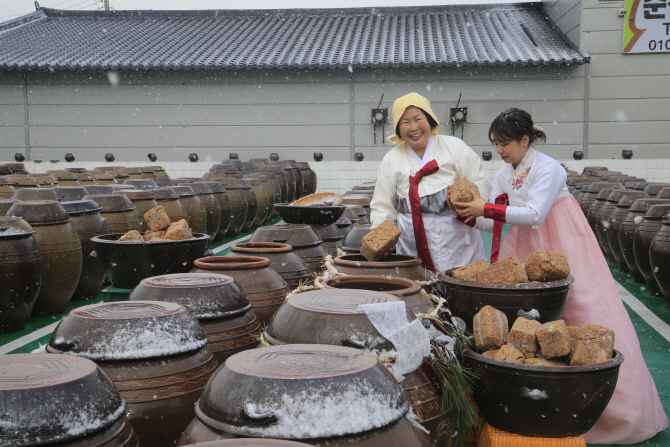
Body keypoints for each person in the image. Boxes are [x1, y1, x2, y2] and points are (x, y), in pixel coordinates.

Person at [453, 107, 669, 445]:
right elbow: (494, 216)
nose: (500, 150)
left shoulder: (549, 167)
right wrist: (468, 213)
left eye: (505, 143)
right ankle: (545, 404)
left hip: (561, 240)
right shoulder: (505, 173)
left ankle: (618, 414)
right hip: (525, 244)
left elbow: (535, 213)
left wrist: (486, 208)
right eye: (496, 143)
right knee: (529, 317)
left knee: (583, 309)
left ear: (526, 139)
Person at [369, 92, 490, 274]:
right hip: (411, 248)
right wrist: (379, 238)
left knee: (462, 293)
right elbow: (382, 206)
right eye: (405, 122)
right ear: (397, 128)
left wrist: (471, 205)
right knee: (421, 296)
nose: (414, 127)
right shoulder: (391, 160)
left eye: (419, 119)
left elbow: (479, 182)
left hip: (458, 246)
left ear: (430, 120)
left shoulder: (454, 147)